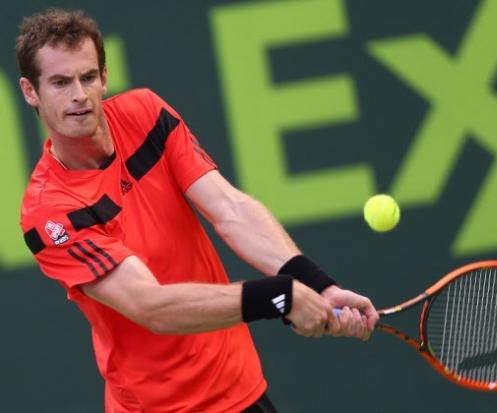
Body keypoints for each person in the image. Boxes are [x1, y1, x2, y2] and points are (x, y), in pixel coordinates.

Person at [17, 8, 379, 413]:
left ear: (104, 76)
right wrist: (278, 297)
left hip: (239, 385)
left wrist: (314, 282)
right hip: (161, 407)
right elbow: (151, 306)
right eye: (60, 83)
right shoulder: (49, 215)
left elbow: (229, 208)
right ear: (31, 92)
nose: (79, 95)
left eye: (87, 77)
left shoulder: (144, 113)